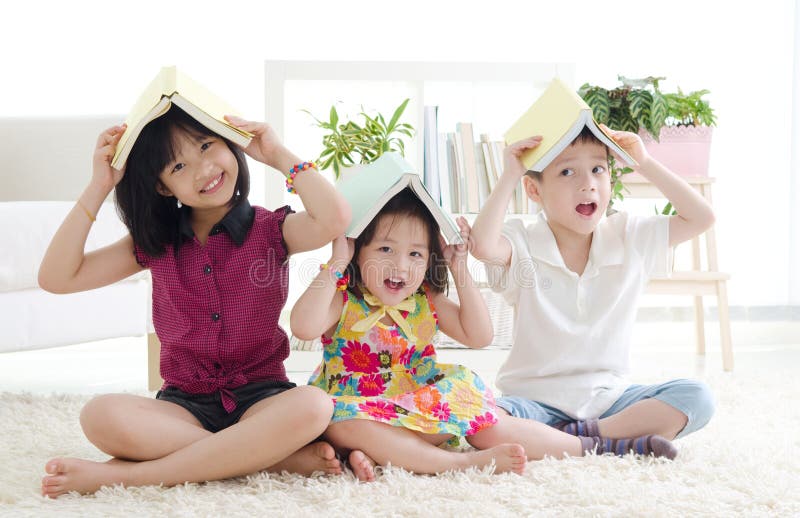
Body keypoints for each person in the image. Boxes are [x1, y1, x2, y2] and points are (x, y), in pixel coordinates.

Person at [37, 105, 351, 498]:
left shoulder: (272, 229)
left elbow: (334, 218)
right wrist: (100, 184)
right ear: (163, 187)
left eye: (206, 145)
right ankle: (268, 457)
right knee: (99, 415)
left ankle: (131, 476)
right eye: (178, 167)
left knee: (314, 405)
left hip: (263, 398)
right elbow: (56, 277)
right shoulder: (153, 242)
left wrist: (275, 153)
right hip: (183, 407)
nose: (202, 169)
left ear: (230, 144)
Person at [467, 126, 716, 460]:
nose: (588, 184)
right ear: (533, 190)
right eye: (567, 171)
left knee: (697, 397)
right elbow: (482, 246)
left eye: (598, 169)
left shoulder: (629, 235)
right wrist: (511, 173)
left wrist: (644, 162)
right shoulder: (522, 241)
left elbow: (702, 217)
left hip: (610, 402)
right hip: (533, 401)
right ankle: (605, 446)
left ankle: (574, 439)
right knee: (478, 423)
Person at [290, 189, 527, 481]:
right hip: (356, 408)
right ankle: (458, 464)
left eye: (415, 253)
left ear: (430, 260)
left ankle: (382, 451)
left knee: (463, 398)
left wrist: (459, 268)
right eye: (385, 250)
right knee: (340, 425)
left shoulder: (427, 299)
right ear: (357, 249)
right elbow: (302, 326)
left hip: (415, 404)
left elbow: (478, 336)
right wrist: (337, 262)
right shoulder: (345, 298)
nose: (400, 266)